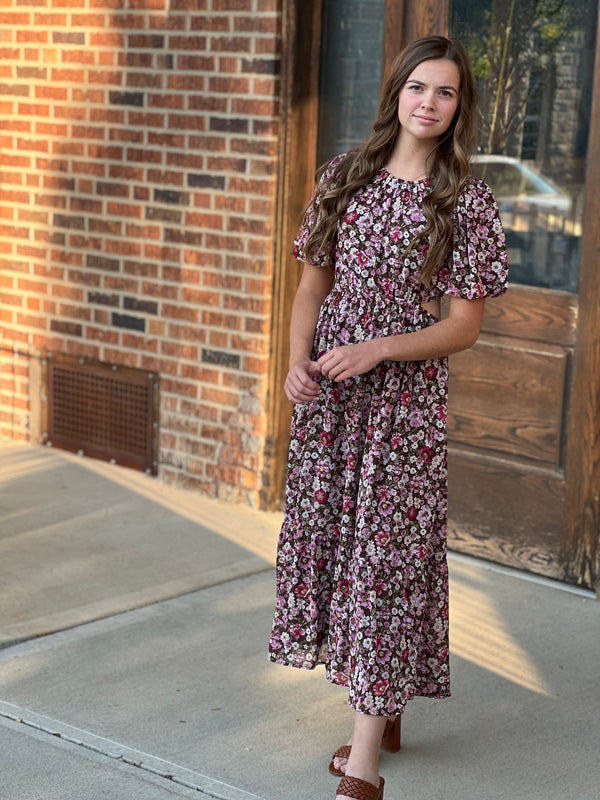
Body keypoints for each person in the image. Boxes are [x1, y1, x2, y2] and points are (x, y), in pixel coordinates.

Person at [268, 34, 508, 800]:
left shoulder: (464, 199)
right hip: (332, 399)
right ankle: (387, 706)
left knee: (386, 562)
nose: (429, 103)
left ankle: (365, 764)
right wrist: (298, 362)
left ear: (458, 106)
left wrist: (377, 350)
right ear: (397, 92)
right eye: (418, 88)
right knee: (342, 551)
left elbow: (462, 327)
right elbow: (311, 287)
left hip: (401, 406)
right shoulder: (346, 174)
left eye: (445, 93)